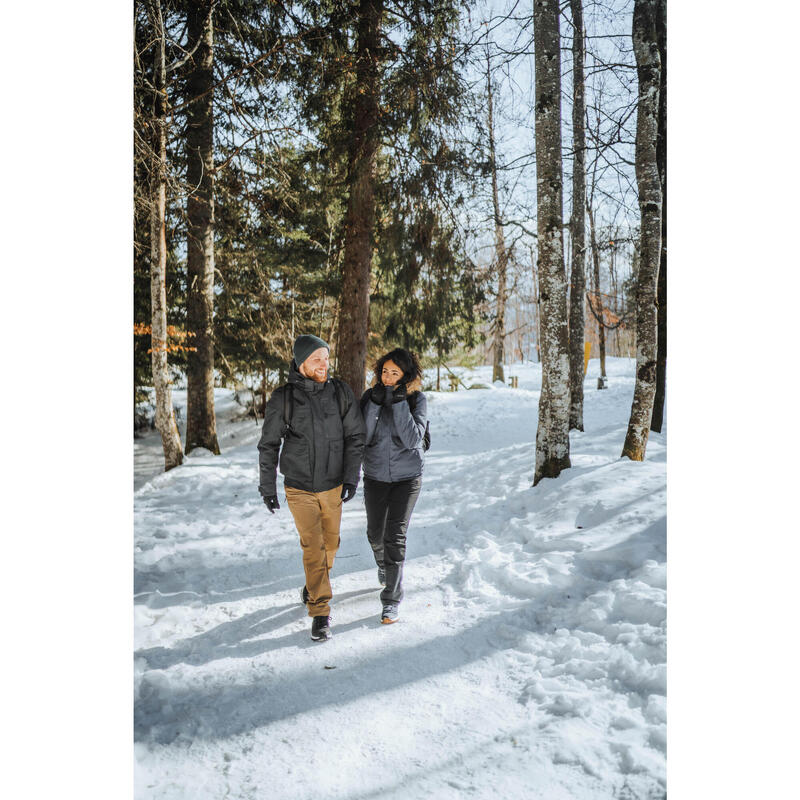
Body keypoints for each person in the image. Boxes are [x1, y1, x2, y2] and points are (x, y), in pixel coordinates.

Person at [257, 334, 365, 642]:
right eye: (316, 359)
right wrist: (268, 486)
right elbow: (269, 444)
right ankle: (320, 612)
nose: (323, 365)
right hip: (300, 487)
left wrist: (351, 477)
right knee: (313, 546)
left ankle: (313, 584)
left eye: (326, 358)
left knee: (331, 544)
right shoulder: (284, 398)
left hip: (332, 485)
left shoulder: (340, 392)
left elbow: (355, 437)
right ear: (301, 362)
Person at [360, 348, 427, 624]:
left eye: (394, 373)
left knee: (394, 537)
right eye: (384, 372)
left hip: (407, 478)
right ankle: (383, 566)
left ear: (406, 375)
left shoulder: (416, 400)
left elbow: (412, 439)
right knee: (375, 534)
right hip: (375, 476)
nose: (387, 378)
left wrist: (399, 403)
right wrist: (375, 405)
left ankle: (391, 599)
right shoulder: (369, 397)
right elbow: (362, 436)